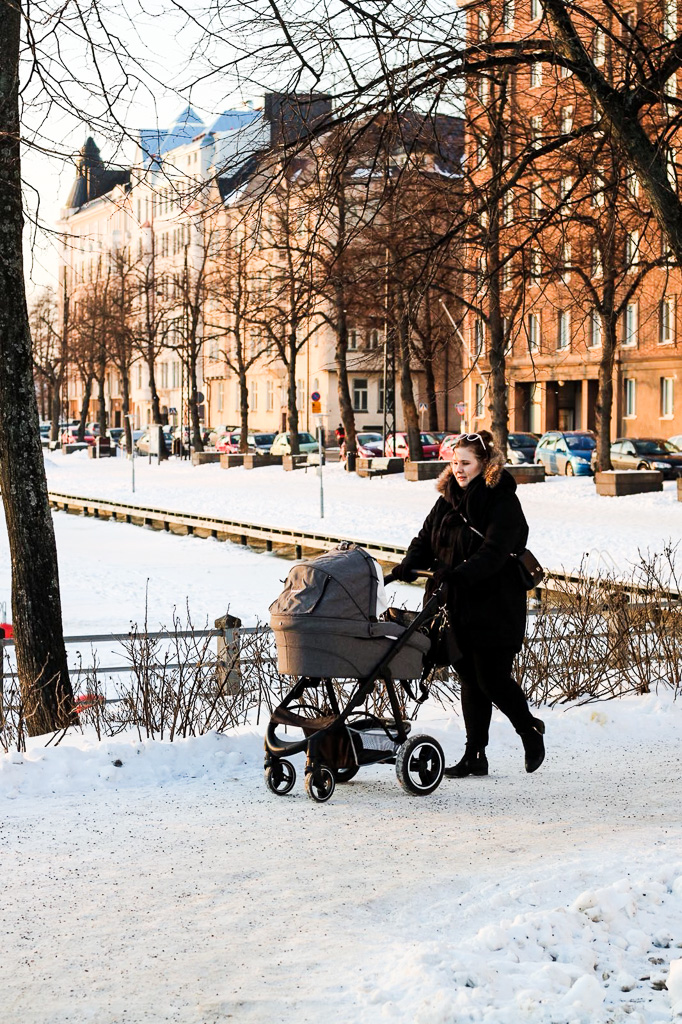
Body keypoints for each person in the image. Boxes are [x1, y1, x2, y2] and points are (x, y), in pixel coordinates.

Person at [390, 430, 545, 777]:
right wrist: (409, 563)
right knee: (469, 679)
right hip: (455, 603)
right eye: (454, 462)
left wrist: (457, 573)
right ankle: (475, 755)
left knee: (491, 677)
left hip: (495, 604)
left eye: (465, 463)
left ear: (483, 464)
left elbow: (494, 553)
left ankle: (529, 730)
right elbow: (427, 537)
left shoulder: (501, 500)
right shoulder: (447, 497)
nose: (458, 469)